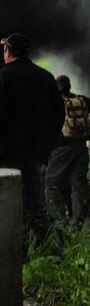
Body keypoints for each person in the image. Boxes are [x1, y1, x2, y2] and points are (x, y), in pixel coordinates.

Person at [0, 33, 65, 244]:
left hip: (8, 154)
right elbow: (59, 114)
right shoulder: (46, 77)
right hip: (37, 154)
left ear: (8, 52)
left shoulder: (2, 76)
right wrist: (47, 144)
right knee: (36, 206)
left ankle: (19, 256)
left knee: (10, 206)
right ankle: (53, 253)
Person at [45, 75, 90, 228]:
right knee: (79, 183)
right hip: (82, 147)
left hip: (61, 148)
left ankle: (60, 224)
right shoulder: (82, 99)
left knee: (51, 184)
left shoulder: (53, 102)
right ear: (69, 86)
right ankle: (78, 224)